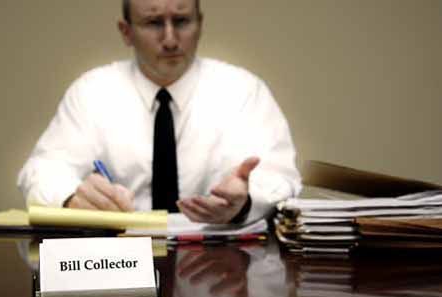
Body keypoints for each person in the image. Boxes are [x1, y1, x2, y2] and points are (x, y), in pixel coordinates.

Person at [17, 0, 301, 224]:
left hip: (221, 266)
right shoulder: (92, 92)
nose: (170, 39)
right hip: (119, 263)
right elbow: (42, 171)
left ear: (200, 24)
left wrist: (246, 203)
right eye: (153, 23)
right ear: (126, 32)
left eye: (181, 21)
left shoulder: (243, 91)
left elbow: (281, 178)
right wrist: (71, 198)